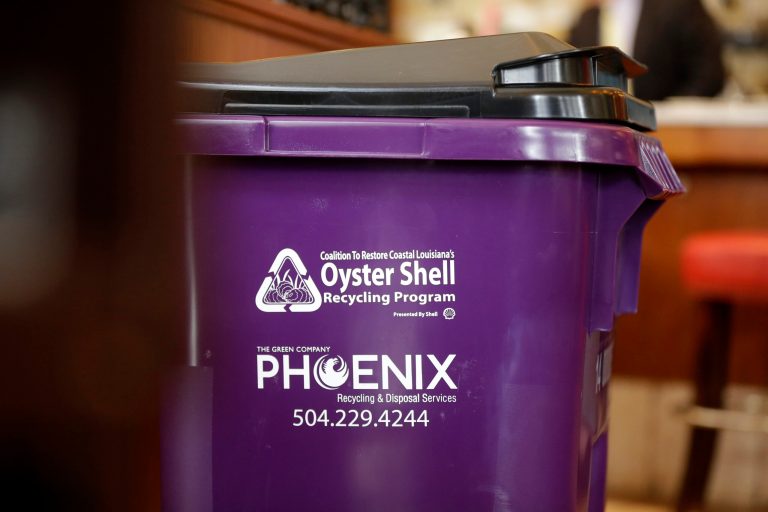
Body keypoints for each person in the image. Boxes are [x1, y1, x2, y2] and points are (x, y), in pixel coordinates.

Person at [569, 0, 726, 101]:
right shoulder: (586, 20)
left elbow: (709, 72)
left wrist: (671, 111)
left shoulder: (676, 5)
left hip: (670, 133)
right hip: (602, 135)